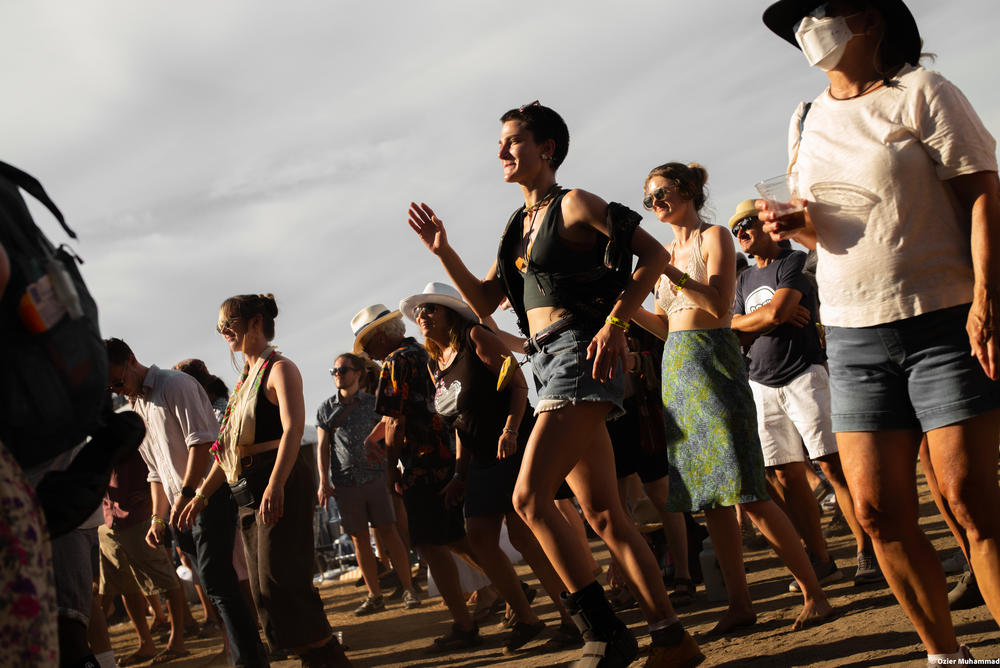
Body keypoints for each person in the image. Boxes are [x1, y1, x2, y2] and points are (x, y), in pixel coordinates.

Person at [408, 101, 702, 667]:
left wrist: (617, 322)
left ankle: (604, 633)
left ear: (547, 148)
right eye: (500, 142)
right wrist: (444, 252)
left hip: (577, 353)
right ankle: (672, 638)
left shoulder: (576, 203)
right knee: (605, 515)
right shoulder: (516, 227)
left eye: (513, 141)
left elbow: (655, 255)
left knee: (528, 499)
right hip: (544, 362)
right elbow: (485, 303)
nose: (501, 152)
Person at [760, 1, 1000, 662]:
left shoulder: (921, 92)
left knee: (969, 501)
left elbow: (982, 191)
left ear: (869, 17)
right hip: (853, 335)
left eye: (825, 7)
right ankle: (948, 657)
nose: (811, 22)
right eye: (802, 13)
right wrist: (794, 225)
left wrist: (987, 298)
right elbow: (821, 227)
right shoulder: (803, 119)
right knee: (875, 512)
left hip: (942, 319)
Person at [631, 162, 835, 634]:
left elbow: (720, 305)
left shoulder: (714, 236)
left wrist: (673, 275)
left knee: (749, 492)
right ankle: (740, 605)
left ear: (686, 191)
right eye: (648, 199)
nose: (655, 203)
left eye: (661, 192)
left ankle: (815, 593)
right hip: (678, 370)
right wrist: (626, 308)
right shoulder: (665, 252)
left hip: (716, 364)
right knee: (712, 500)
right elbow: (665, 325)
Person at [401, 281, 581, 653]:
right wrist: (459, 474)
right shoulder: (438, 361)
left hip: (512, 443)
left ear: (450, 312)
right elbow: (459, 424)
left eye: (430, 308)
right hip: (480, 457)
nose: (423, 315)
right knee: (479, 536)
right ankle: (527, 618)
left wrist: (511, 429)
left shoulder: (475, 336)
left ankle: (574, 617)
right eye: (419, 312)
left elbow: (517, 384)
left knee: (523, 536)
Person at [177, 294, 348, 667]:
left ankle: (326, 658)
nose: (223, 331)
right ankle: (315, 656)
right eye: (219, 326)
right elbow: (226, 449)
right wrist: (201, 495)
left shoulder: (280, 368)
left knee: (281, 580)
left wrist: (275, 484)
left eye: (230, 323)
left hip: (278, 481)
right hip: (247, 490)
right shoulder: (243, 381)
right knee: (263, 590)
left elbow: (293, 429)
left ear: (256, 323)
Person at [728, 199, 882, 588]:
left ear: (765, 225)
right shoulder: (743, 280)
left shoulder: (792, 263)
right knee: (785, 475)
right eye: (735, 230)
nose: (742, 233)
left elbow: (777, 315)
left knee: (832, 466)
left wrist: (761, 321)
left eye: (747, 224)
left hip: (803, 373)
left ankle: (868, 551)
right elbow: (733, 326)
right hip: (761, 381)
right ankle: (822, 560)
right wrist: (764, 319)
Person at [105, 337, 268, 667]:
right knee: (212, 585)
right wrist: (157, 519)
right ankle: (246, 653)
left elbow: (203, 445)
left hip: (208, 495)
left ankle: (248, 658)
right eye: (112, 388)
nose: (119, 391)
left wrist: (187, 494)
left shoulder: (175, 384)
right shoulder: (135, 408)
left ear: (131, 360)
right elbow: (155, 472)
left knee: (219, 581)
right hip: (181, 506)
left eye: (119, 381)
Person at [351, 303, 489, 652]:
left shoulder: (395, 362)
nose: (367, 354)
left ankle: (464, 623)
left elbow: (395, 421)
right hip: (447, 455)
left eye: (367, 345)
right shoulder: (424, 352)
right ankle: (500, 589)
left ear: (380, 336)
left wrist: (389, 468)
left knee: (429, 543)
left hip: (422, 462)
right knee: (455, 536)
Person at [315, 352, 420, 615]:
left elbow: (392, 429)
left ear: (358, 373)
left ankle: (409, 589)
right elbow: (322, 447)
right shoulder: (325, 409)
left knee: (389, 531)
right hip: (345, 482)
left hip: (376, 477)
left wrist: (392, 465)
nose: (338, 374)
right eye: (335, 371)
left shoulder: (375, 403)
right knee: (359, 537)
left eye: (343, 370)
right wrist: (322, 480)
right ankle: (374, 595)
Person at [97, 449, 190, 665]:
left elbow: (156, 466)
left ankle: (177, 643)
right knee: (124, 586)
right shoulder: (91, 444)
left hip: (138, 519)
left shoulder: (131, 437)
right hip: (107, 521)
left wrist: (149, 500)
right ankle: (145, 644)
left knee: (165, 579)